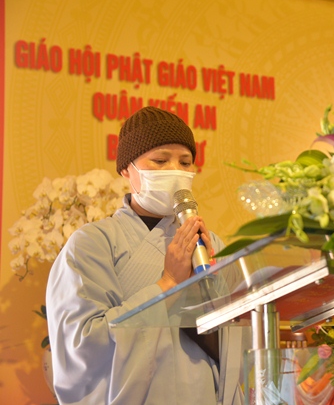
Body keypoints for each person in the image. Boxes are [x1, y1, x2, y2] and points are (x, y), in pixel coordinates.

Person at [46, 106, 249, 405]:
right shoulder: (92, 244)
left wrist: (207, 293)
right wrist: (168, 284)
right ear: (126, 170)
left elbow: (239, 349)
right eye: (160, 160)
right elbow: (80, 346)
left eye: (185, 162)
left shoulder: (210, 245)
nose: (175, 171)